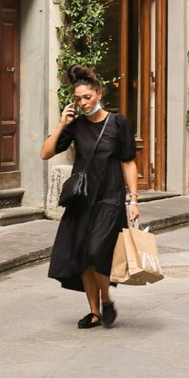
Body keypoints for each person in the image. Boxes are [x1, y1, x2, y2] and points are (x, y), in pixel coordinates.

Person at [41, 65, 139, 329]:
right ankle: (95, 312)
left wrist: (133, 200)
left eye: (87, 97)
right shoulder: (76, 126)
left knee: (97, 252)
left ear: (99, 94)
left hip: (110, 198)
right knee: (82, 255)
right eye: (78, 99)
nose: (83, 103)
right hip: (81, 200)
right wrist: (63, 123)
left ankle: (106, 299)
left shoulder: (118, 123)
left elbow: (128, 162)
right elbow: (45, 153)